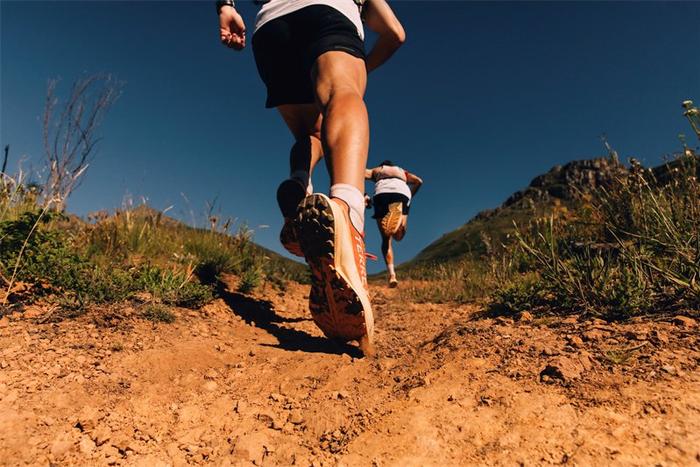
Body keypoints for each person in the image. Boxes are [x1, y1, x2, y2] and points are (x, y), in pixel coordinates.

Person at [217, 0, 405, 355]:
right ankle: (347, 216)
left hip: (271, 28)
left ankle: (300, 182)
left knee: (313, 132)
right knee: (343, 92)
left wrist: (225, 7)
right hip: (328, 12)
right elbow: (395, 33)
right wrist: (360, 67)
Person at [366, 160, 422, 287]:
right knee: (399, 237)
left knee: (386, 239)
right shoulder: (403, 172)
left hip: (381, 194)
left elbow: (358, 174)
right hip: (401, 193)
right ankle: (398, 225)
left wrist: (364, 196)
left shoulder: (377, 170)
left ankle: (392, 275)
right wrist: (410, 196)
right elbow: (419, 181)